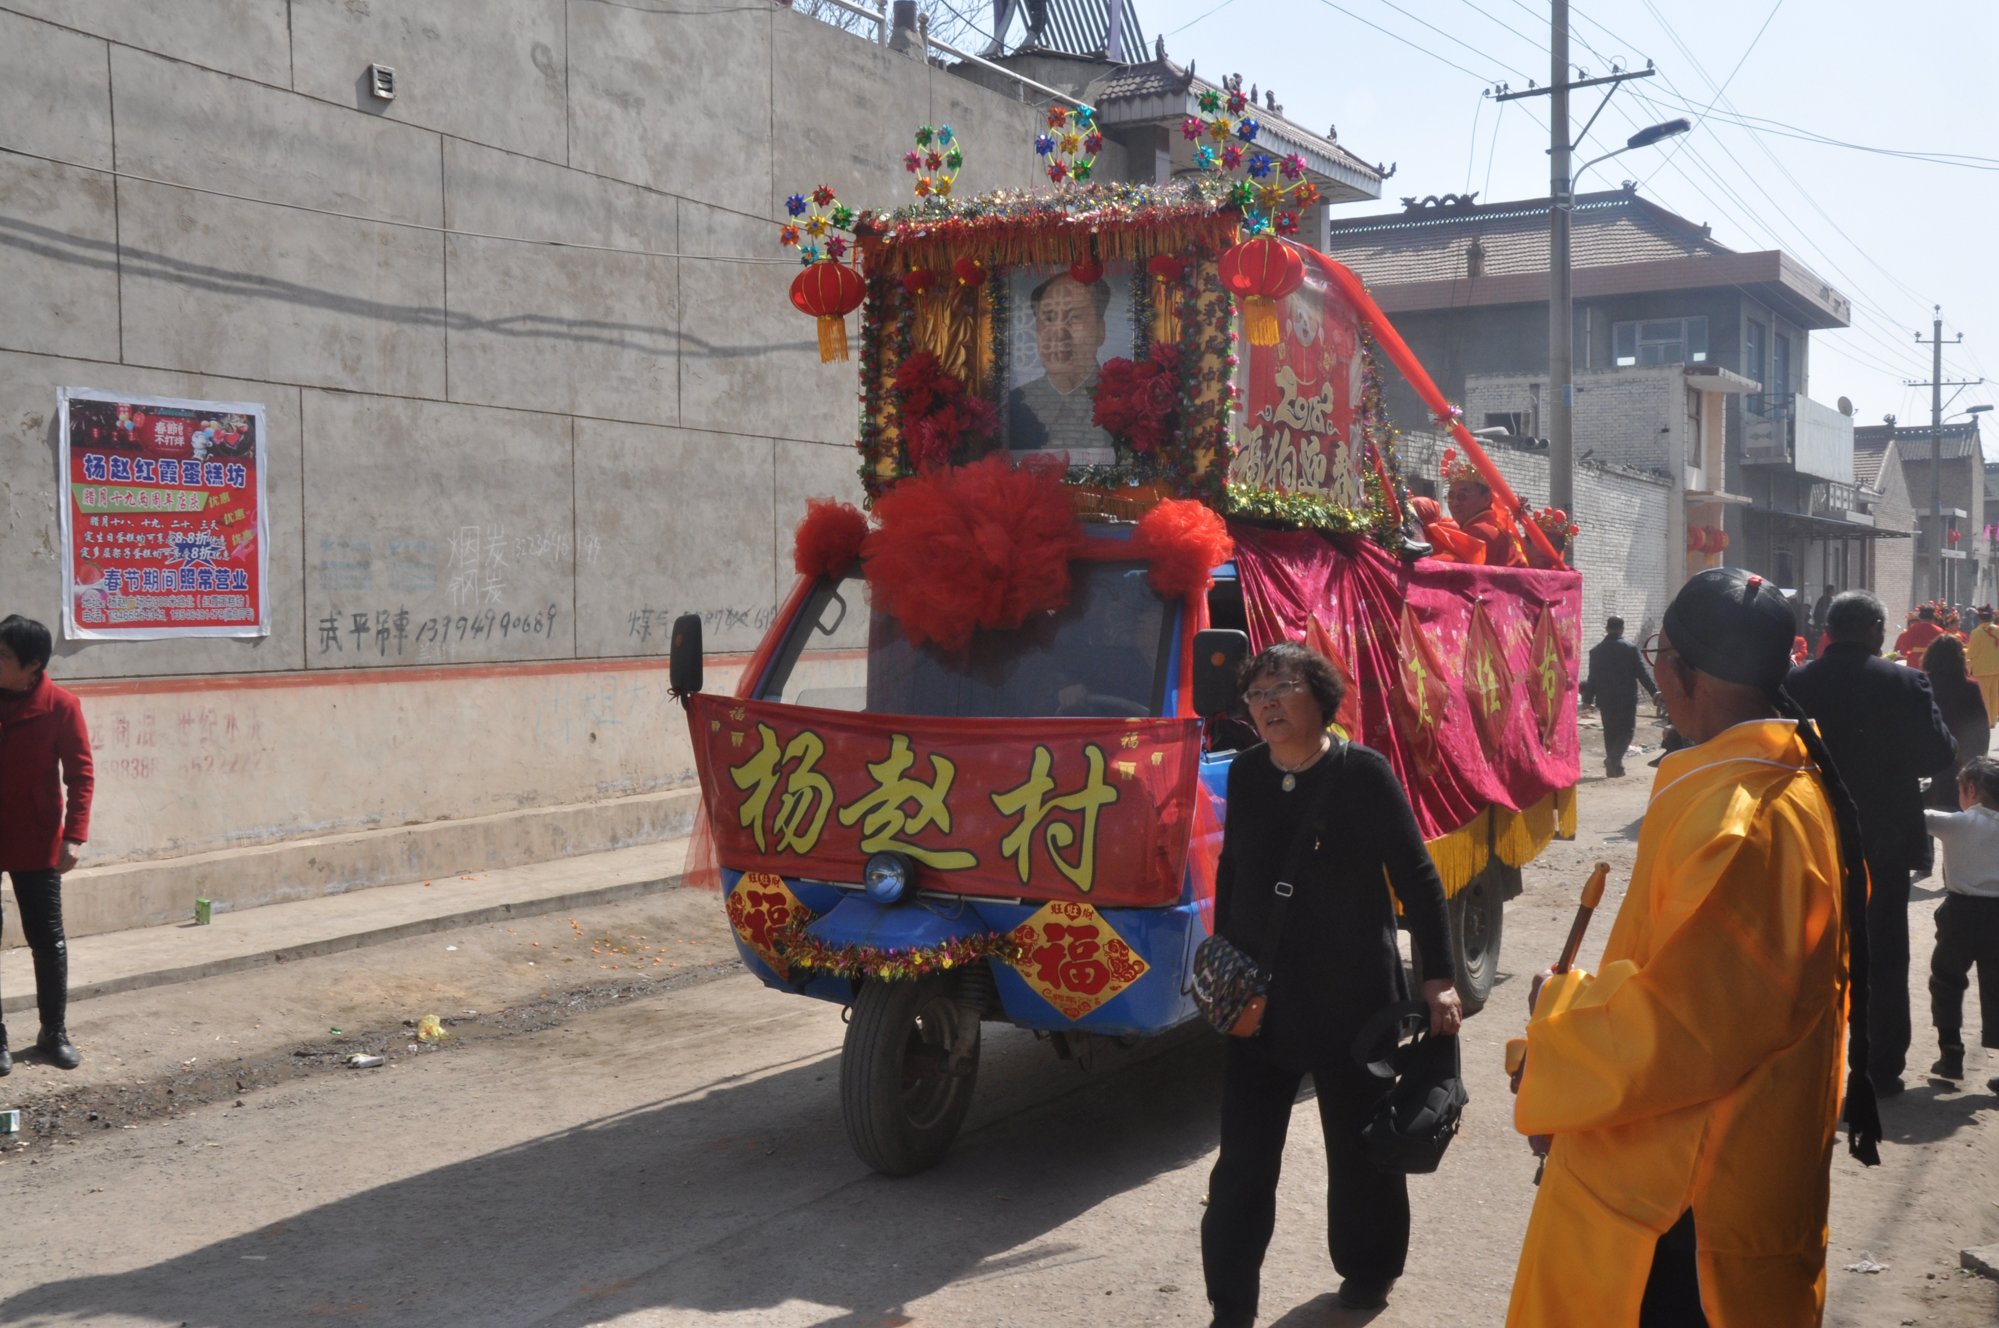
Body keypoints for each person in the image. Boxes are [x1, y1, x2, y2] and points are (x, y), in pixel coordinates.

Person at [1506, 567, 1880, 1327]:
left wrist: (1557, 1026)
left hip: (1684, 1202)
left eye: (1658, 654)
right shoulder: (1779, 780)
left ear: (1679, 674)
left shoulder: (1738, 819)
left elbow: (1684, 1030)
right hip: (1730, 1171)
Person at [1202, 641, 1461, 1325]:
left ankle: (1368, 1271)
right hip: (1261, 1004)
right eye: (1254, 695)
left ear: (1319, 695)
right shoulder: (1248, 775)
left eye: (1280, 688)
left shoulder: (1363, 775)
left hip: (1353, 1003)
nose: (1265, 705)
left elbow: (1419, 881)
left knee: (1359, 1153)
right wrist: (1223, 965)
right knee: (1243, 1164)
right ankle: (1230, 1307)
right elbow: (1233, 871)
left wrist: (1437, 978)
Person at [1790, 590, 1958, 1094]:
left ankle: (1802, 1065)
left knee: (1806, 949)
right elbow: (1937, 756)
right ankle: (1880, 1066)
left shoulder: (1795, 682)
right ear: (1876, 630)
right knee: (1883, 954)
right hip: (1882, 841)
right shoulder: (1906, 681)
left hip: (1811, 833)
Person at [0, 614, 94, 1073]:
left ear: (32, 665)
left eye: (3, 657)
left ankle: (53, 1034)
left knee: (48, 940)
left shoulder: (61, 706)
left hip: (37, 839)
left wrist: (74, 835)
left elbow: (80, 776)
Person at [1923, 755, 1999, 1091]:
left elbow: (1917, 815)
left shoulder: (1957, 823)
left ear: (1971, 789)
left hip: (1960, 917)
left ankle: (1950, 1054)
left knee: (1946, 980)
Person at [1006, 272, 1113, 464]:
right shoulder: (1014, 406)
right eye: (1048, 318)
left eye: (1075, 318)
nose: (1059, 333)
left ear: (1100, 330)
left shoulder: (1122, 404)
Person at [1579, 616, 1658, 778]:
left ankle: (1615, 767)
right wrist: (1653, 692)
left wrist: (1587, 699)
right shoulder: (1629, 649)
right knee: (1627, 731)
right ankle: (1613, 759)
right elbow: (1641, 673)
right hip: (1626, 698)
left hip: (1606, 699)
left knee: (1610, 732)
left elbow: (1593, 677)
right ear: (1622, 628)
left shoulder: (1596, 651)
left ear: (1607, 629)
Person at [1921, 634, 1989, 810]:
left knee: (1928, 815)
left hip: (1929, 756)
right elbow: (1981, 725)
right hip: (1960, 758)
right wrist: (1979, 757)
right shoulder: (1970, 687)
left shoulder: (1922, 683)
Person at [1442, 464, 1527, 568]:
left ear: (1486, 498)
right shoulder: (1493, 526)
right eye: (1451, 496)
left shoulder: (1480, 531)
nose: (1455, 503)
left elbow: (1450, 566)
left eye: (1462, 496)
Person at [1965, 606, 1999, 719]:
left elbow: (1972, 653)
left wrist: (1965, 652)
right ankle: (1994, 718)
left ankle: (1987, 719)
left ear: (1980, 618)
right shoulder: (1998, 630)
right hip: (1997, 667)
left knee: (1984, 696)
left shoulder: (1976, 632)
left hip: (1981, 669)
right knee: (1995, 695)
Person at [1808, 582, 1835, 650]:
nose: (1834, 592)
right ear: (1830, 591)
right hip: (1822, 623)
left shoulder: (1824, 599)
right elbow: (1821, 612)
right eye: (1833, 590)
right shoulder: (1826, 600)